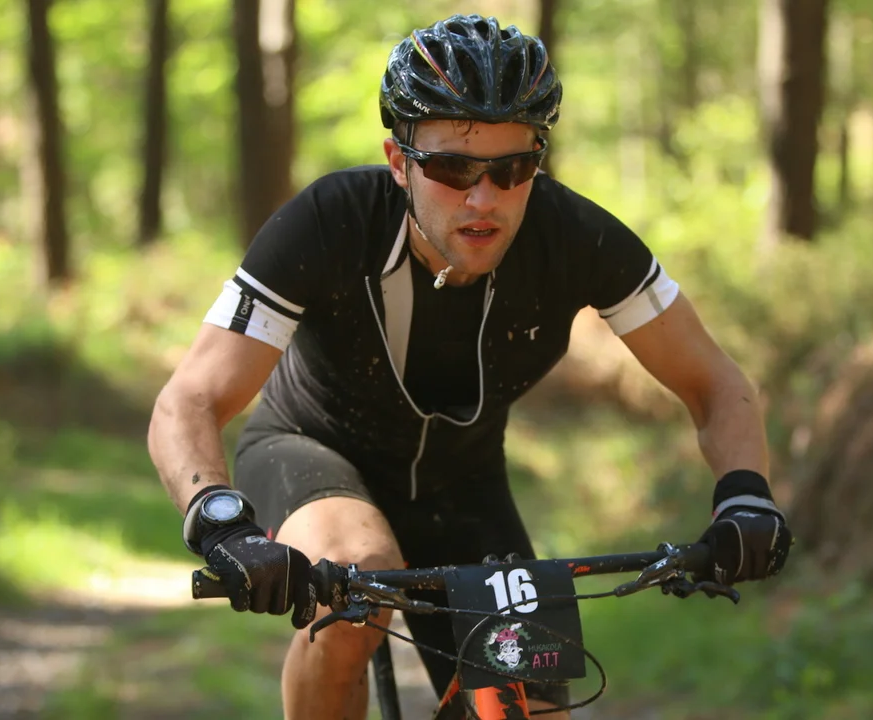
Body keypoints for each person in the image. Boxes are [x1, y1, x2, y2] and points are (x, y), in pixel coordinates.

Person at [148, 13, 792, 720]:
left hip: (463, 485)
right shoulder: (330, 222)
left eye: (512, 169)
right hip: (310, 449)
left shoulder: (576, 239)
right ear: (400, 163)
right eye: (452, 169)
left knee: (531, 704)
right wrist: (221, 521)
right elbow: (189, 400)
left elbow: (716, 383)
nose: (483, 199)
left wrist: (745, 497)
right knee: (357, 582)